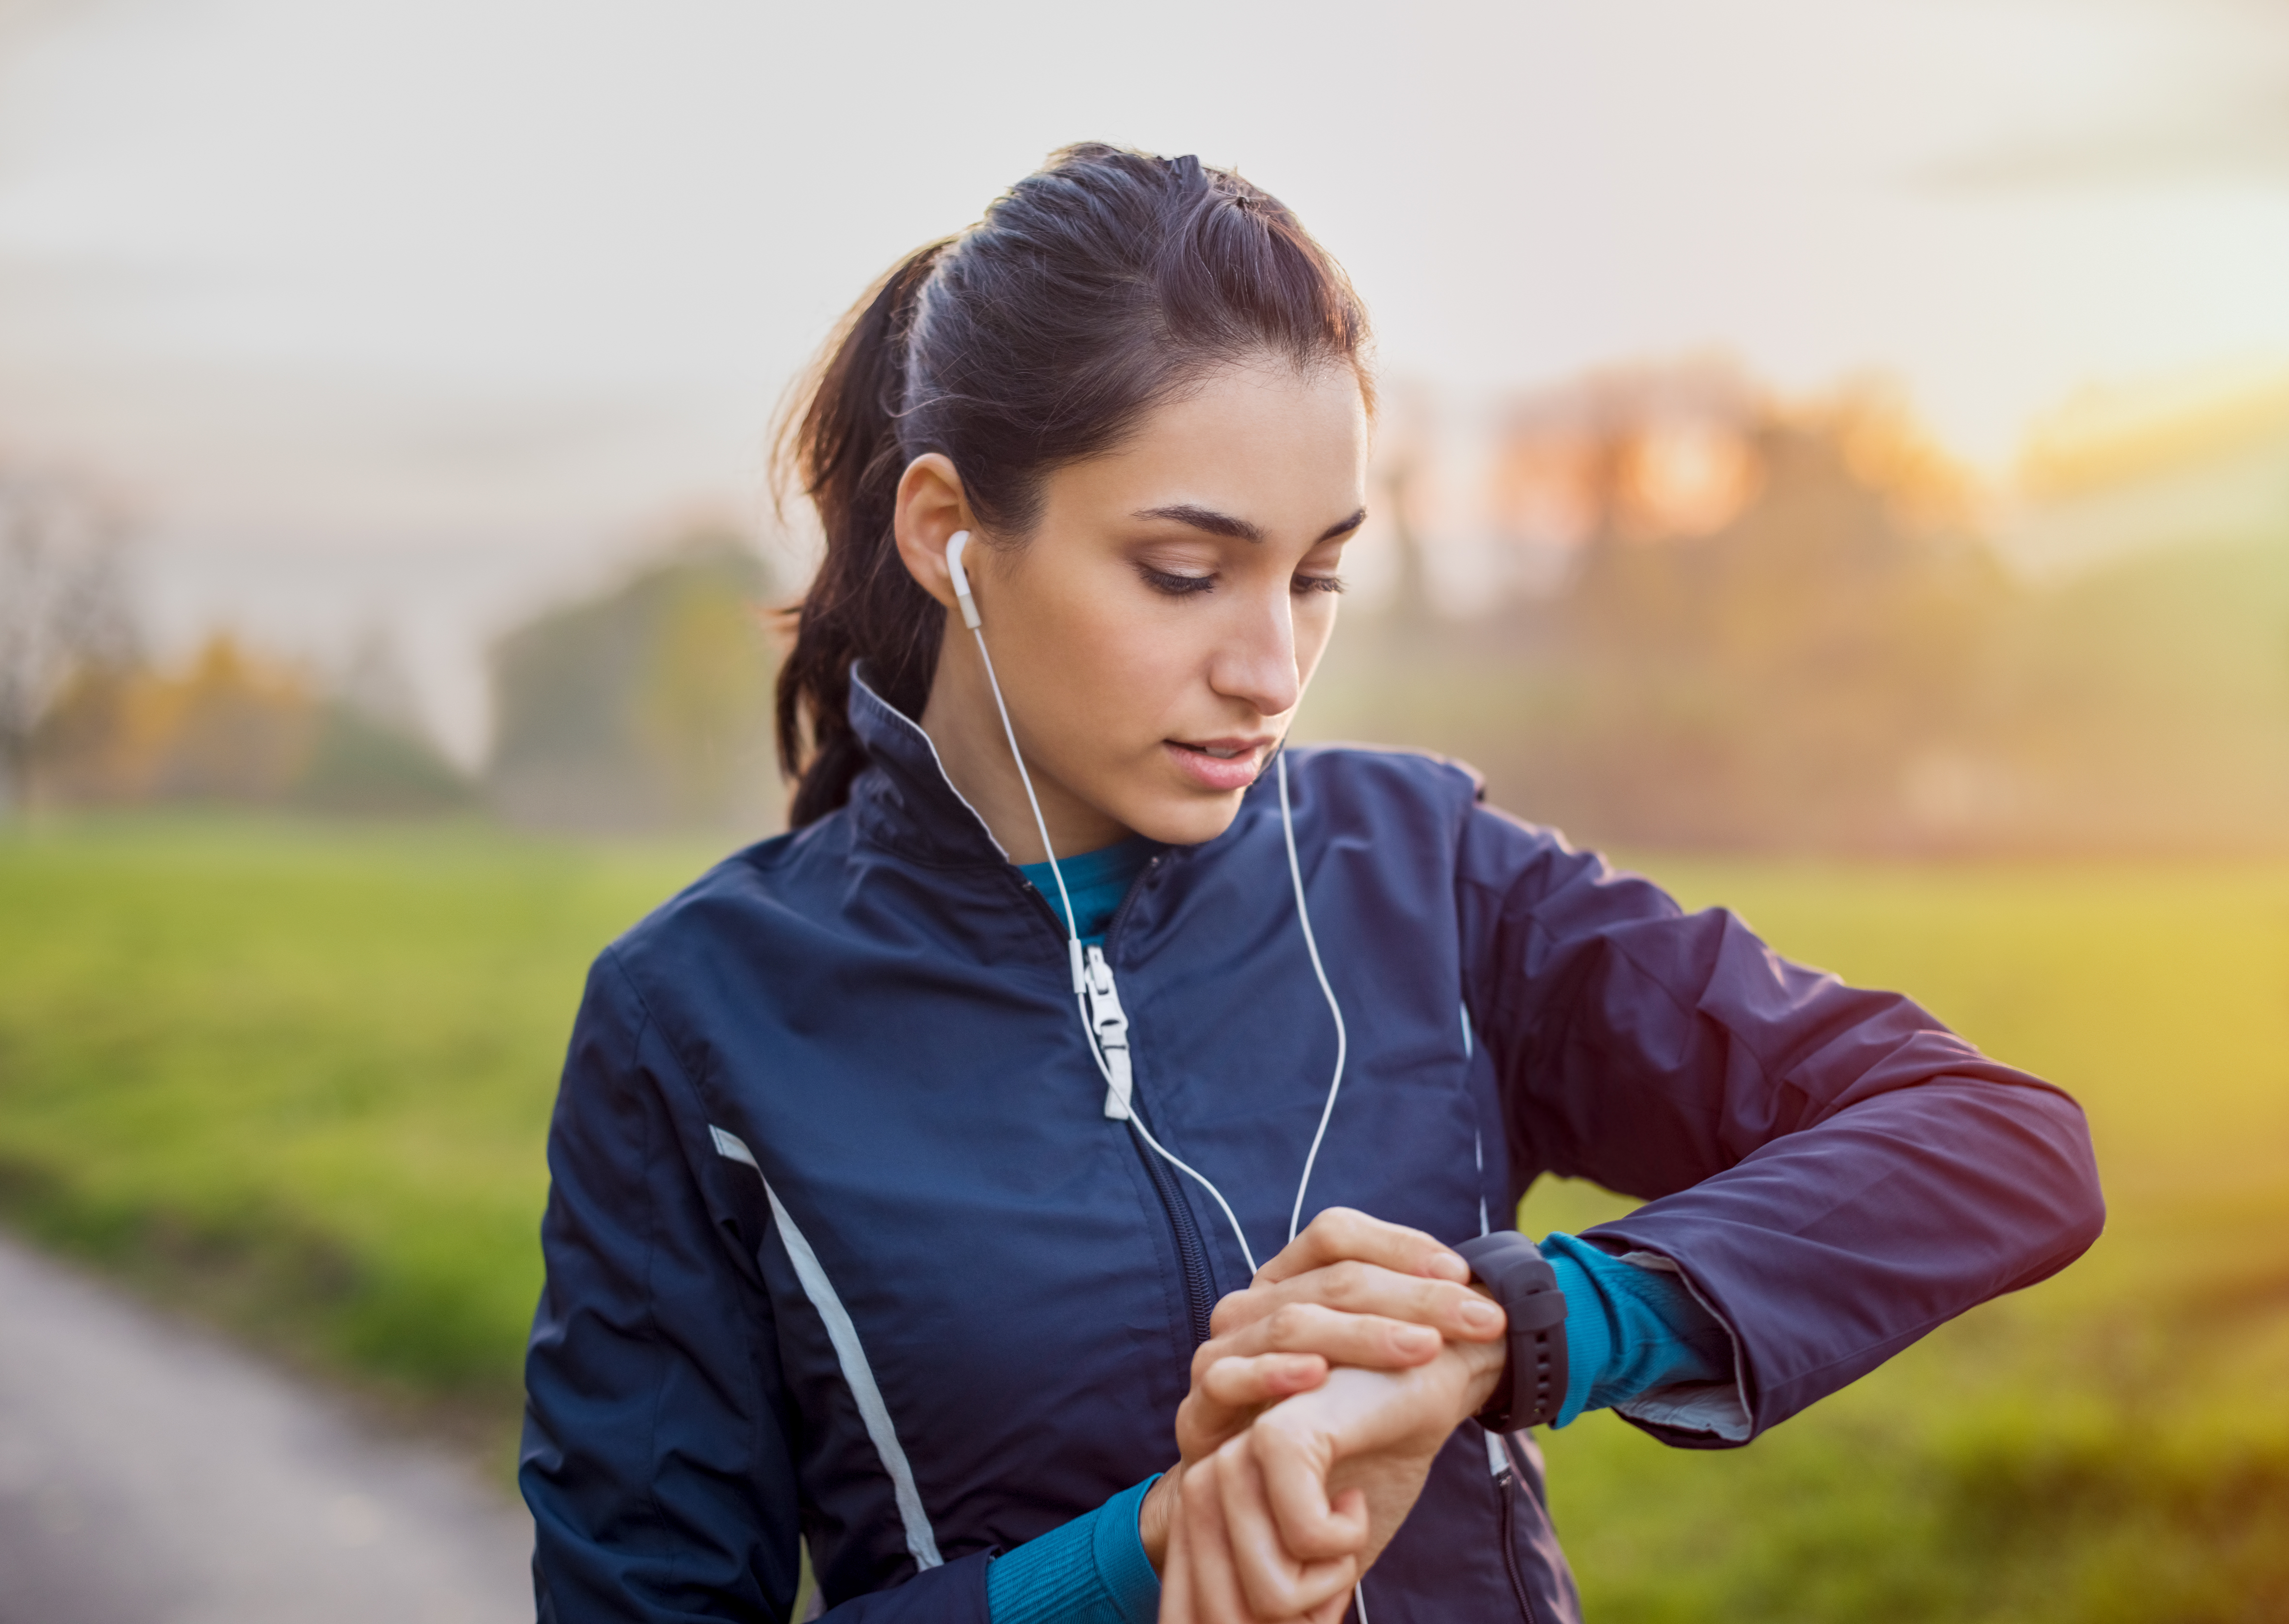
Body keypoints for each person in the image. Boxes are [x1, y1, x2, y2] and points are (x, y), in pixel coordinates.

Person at [518, 143, 2103, 1624]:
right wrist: (1134, 1559)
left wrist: (1512, 1328)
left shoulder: (1430, 875)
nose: (1272, 666)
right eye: (1187, 572)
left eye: (1319, 571)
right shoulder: (696, 1024)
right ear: (948, 533)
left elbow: (1998, 1141)